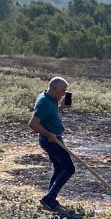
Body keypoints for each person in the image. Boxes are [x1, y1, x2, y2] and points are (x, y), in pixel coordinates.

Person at [28, 77, 74, 210]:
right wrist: (49, 135)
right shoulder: (44, 102)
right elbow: (32, 123)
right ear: (53, 89)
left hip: (53, 139)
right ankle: (49, 198)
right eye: (62, 91)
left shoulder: (50, 98)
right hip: (51, 141)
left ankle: (50, 198)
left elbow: (49, 114)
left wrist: (61, 107)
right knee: (69, 168)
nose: (64, 94)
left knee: (59, 168)